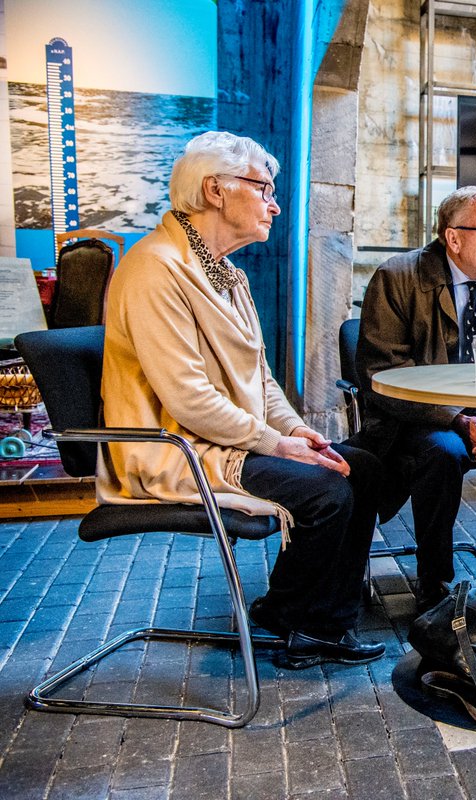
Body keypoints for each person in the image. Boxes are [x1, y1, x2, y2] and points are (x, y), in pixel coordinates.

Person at [99, 131, 385, 669]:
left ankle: (307, 615)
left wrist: (296, 430)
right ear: (215, 190)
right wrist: (274, 442)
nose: (275, 205)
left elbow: (262, 377)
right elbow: (187, 399)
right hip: (176, 448)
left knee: (361, 467)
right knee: (326, 490)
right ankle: (302, 620)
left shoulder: (225, 272)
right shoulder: (156, 268)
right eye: (264, 190)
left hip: (225, 437)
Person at [351, 186, 476, 611]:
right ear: (453, 238)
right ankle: (434, 585)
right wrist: (459, 420)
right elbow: (383, 373)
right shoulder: (398, 278)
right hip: (420, 420)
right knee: (443, 452)